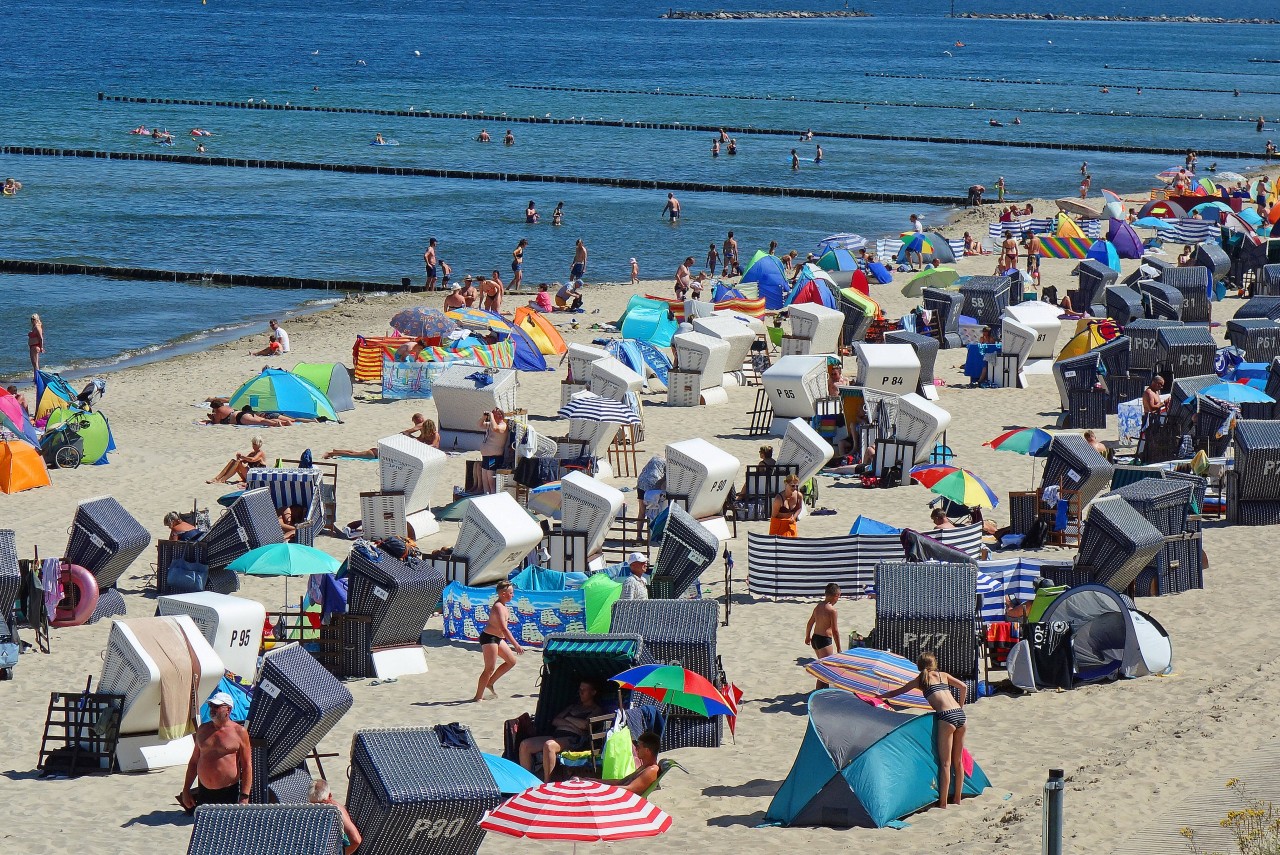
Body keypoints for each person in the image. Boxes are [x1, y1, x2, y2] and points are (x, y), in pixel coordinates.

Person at [878, 652, 968, 810]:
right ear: (934, 663)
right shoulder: (943, 675)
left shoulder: (921, 679)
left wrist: (878, 697)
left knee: (945, 764)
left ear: (919, 666)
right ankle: (958, 799)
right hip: (961, 716)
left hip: (946, 716)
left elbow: (895, 693)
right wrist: (960, 706)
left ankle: (943, 803)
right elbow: (964, 686)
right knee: (958, 762)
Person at [179, 692, 252, 814]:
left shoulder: (239, 732)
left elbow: (247, 766)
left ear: (228, 709)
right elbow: (194, 762)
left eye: (216, 706)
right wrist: (186, 790)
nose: (212, 709)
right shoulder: (203, 730)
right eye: (211, 706)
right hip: (204, 791)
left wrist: (245, 796)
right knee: (206, 830)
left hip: (228, 791)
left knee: (227, 829)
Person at [518, 680, 604, 780]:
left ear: (593, 692)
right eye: (580, 689)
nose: (581, 692)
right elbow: (555, 721)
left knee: (549, 745)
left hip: (574, 739)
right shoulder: (573, 707)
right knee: (525, 745)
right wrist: (572, 723)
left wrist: (567, 719)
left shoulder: (596, 709)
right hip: (557, 735)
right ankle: (526, 781)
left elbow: (585, 725)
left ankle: (547, 783)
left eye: (584, 690)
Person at [473, 580, 524, 701]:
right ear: (503, 593)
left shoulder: (504, 605)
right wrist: (516, 645)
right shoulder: (498, 607)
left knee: (511, 661)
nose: (513, 595)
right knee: (489, 668)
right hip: (489, 638)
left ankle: (490, 683)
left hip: (498, 638)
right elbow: (504, 629)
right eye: (511, 593)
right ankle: (478, 697)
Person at [308, 780, 362, 855]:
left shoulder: (338, 812)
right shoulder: (327, 810)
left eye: (321, 804)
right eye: (313, 805)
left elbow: (356, 840)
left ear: (330, 796)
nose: (318, 808)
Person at [805, 582, 842, 689]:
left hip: (815, 639)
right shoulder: (832, 611)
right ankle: (820, 695)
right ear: (836, 596)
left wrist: (807, 636)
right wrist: (839, 648)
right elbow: (835, 631)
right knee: (825, 672)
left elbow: (810, 623)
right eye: (839, 596)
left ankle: (822, 693)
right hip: (824, 640)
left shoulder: (818, 606)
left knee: (823, 669)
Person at [608, 730, 663, 795]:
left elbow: (629, 790)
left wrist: (604, 789)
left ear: (647, 750)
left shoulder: (651, 770)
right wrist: (595, 781)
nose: (636, 749)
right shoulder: (644, 767)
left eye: (639, 746)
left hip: (625, 801)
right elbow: (620, 782)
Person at [477, 407, 508, 493]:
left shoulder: (503, 426)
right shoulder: (492, 424)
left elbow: (495, 428)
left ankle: (493, 496)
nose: (493, 415)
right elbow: (479, 425)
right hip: (486, 456)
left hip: (493, 457)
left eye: (495, 414)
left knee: (491, 480)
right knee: (485, 479)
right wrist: (483, 417)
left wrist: (491, 417)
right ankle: (486, 496)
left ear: (500, 416)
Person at [204, 398, 293, 427]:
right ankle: (285, 422)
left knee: (260, 422)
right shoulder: (227, 407)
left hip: (240, 418)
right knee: (262, 419)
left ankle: (276, 424)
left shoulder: (218, 411)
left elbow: (217, 422)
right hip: (243, 413)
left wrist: (211, 418)